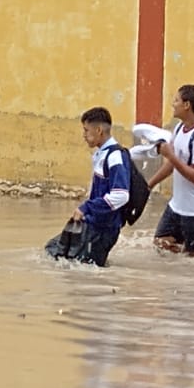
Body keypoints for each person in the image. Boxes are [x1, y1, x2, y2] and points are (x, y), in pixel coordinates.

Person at [45, 106, 131, 267]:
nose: (83, 135)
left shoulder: (114, 157)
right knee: (53, 250)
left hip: (103, 229)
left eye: (86, 130)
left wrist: (87, 208)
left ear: (98, 130)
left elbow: (121, 195)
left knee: (78, 265)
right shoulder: (102, 154)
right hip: (93, 224)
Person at [147, 83, 194, 256]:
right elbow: (172, 165)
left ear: (187, 105)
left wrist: (171, 156)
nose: (173, 104)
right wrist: (149, 185)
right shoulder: (179, 129)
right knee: (160, 243)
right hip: (177, 205)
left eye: (176, 100)